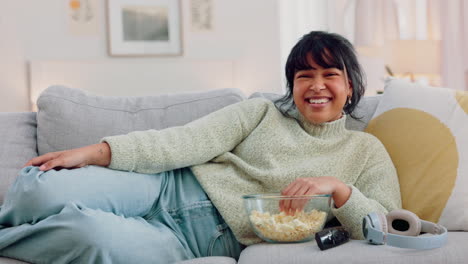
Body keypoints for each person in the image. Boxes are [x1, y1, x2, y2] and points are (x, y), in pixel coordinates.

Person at [0, 31, 401, 263]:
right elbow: (183, 141)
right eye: (304, 75)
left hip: (195, 241)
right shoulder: (260, 113)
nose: (316, 85)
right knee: (41, 184)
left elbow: (385, 227)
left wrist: (338, 188)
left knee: (88, 235)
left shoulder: (366, 151)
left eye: (330, 74)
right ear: (292, 85)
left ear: (350, 86)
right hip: (166, 186)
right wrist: (91, 152)